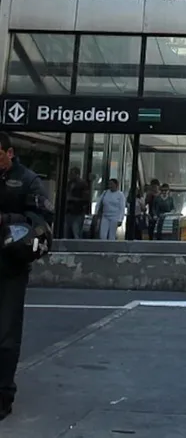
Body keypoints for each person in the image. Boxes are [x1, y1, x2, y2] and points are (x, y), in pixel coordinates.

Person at [0, 132, 54, 420]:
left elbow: (42, 221)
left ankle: (3, 395)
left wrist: (6, 220)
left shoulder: (28, 180)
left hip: (9, 266)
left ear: (9, 153)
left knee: (5, 335)